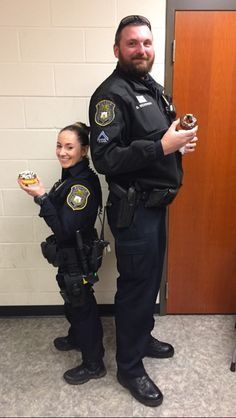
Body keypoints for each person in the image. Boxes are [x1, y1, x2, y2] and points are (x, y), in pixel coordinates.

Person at [89, 15, 198, 407]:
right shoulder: (110, 96)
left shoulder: (151, 87)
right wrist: (161, 149)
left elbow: (155, 137)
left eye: (147, 43)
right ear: (117, 50)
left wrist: (176, 144)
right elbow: (106, 158)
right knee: (136, 288)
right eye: (132, 43)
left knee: (149, 282)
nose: (142, 50)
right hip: (134, 210)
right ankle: (129, 367)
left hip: (155, 206)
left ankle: (142, 335)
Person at [18, 122, 106, 385]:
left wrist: (43, 198)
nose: (62, 152)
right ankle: (77, 337)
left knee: (82, 307)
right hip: (70, 256)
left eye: (69, 147)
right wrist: (42, 194)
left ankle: (94, 364)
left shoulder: (81, 186)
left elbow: (65, 229)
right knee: (71, 301)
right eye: (59, 145)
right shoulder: (69, 178)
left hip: (78, 256)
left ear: (84, 150)